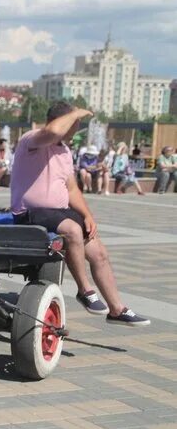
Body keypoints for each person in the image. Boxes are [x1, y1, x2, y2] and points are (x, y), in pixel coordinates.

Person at [10, 101, 149, 326]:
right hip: (30, 213)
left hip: (60, 213)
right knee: (72, 230)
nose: (77, 128)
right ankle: (84, 290)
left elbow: (72, 188)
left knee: (99, 254)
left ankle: (117, 309)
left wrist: (87, 214)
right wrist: (75, 113)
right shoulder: (33, 140)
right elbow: (53, 130)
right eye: (75, 123)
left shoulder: (64, 150)